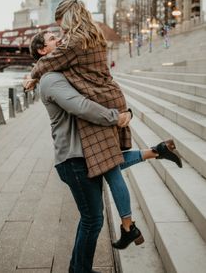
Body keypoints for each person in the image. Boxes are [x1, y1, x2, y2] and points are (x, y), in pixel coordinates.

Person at [25, 25, 182, 252]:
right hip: (72, 152)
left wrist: (32, 75)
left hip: (84, 143)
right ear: (42, 50)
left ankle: (128, 228)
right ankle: (128, 225)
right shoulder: (52, 79)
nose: (59, 40)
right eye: (52, 39)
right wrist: (115, 117)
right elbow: (79, 105)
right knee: (104, 186)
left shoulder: (59, 70)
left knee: (108, 169)